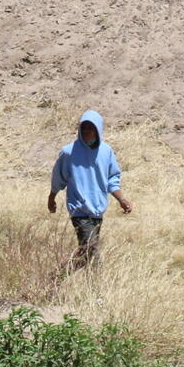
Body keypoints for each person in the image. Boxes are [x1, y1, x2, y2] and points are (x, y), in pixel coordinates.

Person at [47, 109, 132, 268]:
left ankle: (57, 278)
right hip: (79, 210)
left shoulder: (106, 152)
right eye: (83, 127)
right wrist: (51, 197)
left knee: (85, 253)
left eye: (90, 128)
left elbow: (112, 179)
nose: (86, 131)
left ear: (98, 130)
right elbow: (59, 177)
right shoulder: (68, 152)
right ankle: (96, 285)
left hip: (98, 209)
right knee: (91, 252)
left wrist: (121, 199)